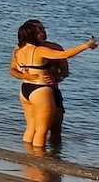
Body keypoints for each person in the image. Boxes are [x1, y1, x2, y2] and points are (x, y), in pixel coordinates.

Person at [13, 20, 96, 149]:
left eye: (42, 29)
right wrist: (86, 45)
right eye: (39, 30)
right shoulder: (39, 50)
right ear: (31, 34)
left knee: (32, 128)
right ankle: (38, 161)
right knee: (41, 130)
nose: (43, 32)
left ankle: (27, 157)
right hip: (42, 90)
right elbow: (65, 55)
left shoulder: (20, 50)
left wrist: (57, 77)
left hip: (26, 89)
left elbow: (64, 70)